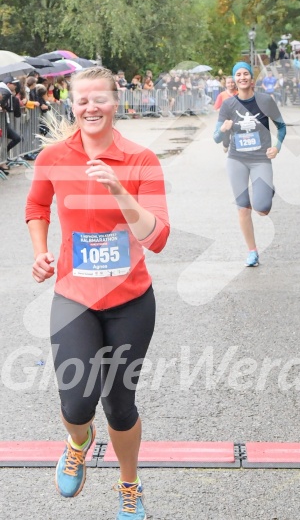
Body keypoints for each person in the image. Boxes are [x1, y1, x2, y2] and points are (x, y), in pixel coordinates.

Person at [25, 66, 170, 520]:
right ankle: (78, 442)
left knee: (119, 405)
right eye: (82, 99)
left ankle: (129, 483)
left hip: (130, 300)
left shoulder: (142, 159)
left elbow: (158, 236)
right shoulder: (52, 158)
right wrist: (41, 251)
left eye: (100, 99)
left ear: (116, 101)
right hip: (74, 297)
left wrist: (120, 193)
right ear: (72, 103)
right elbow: (35, 207)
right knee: (76, 401)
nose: (91, 107)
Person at [213, 61, 286, 267]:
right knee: (243, 207)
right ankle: (252, 251)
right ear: (234, 80)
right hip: (237, 159)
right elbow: (216, 138)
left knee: (262, 209)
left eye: (246, 74)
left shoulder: (265, 100)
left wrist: (277, 147)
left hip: (260, 159)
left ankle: (267, 189)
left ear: (251, 79)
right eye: (238, 75)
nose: (242, 77)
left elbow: (281, 127)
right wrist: (224, 129)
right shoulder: (228, 105)